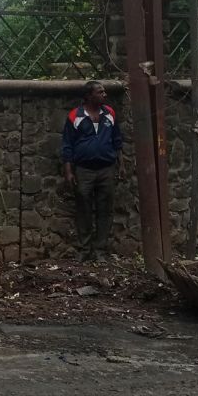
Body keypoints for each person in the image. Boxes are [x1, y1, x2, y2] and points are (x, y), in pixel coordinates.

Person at [60, 80, 123, 261]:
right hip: (84, 170)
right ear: (89, 96)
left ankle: (100, 250)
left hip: (106, 168)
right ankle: (84, 248)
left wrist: (121, 164)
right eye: (100, 92)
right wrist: (68, 172)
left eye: (104, 91)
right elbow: (67, 146)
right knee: (83, 209)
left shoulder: (109, 113)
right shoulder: (75, 116)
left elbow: (117, 140)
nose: (104, 94)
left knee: (105, 210)